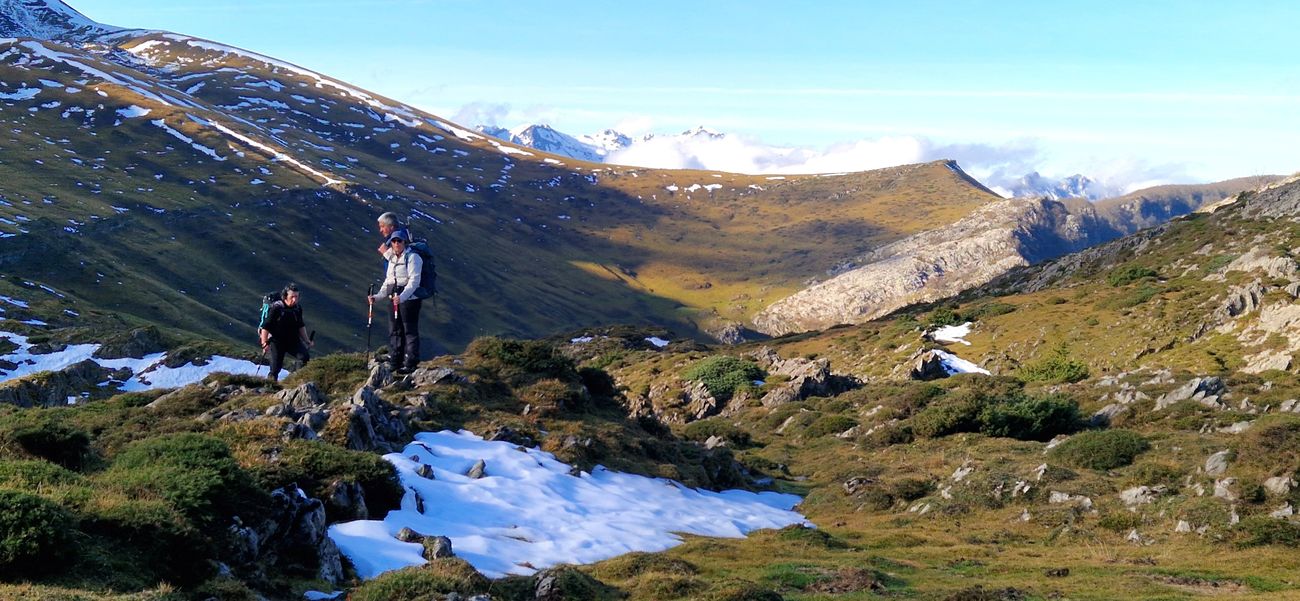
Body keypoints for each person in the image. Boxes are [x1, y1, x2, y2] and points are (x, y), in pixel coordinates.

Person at [371, 230, 422, 374]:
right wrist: (377, 297)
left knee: (409, 331)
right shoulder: (392, 259)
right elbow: (388, 282)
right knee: (395, 330)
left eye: (399, 241)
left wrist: (403, 297)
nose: (396, 244)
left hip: (410, 300)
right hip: (394, 298)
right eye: (393, 241)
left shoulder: (413, 258)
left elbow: (414, 281)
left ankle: (411, 363)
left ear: (404, 242)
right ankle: (396, 361)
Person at [258, 283, 313, 382]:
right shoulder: (277, 308)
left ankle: (296, 381)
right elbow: (266, 326)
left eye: (296, 297)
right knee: (275, 368)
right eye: (292, 297)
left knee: (304, 357)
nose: (294, 300)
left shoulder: (297, 308)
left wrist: (307, 340)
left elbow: (300, 325)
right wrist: (264, 343)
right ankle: (270, 387)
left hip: (292, 340)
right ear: (285, 296)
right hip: (277, 341)